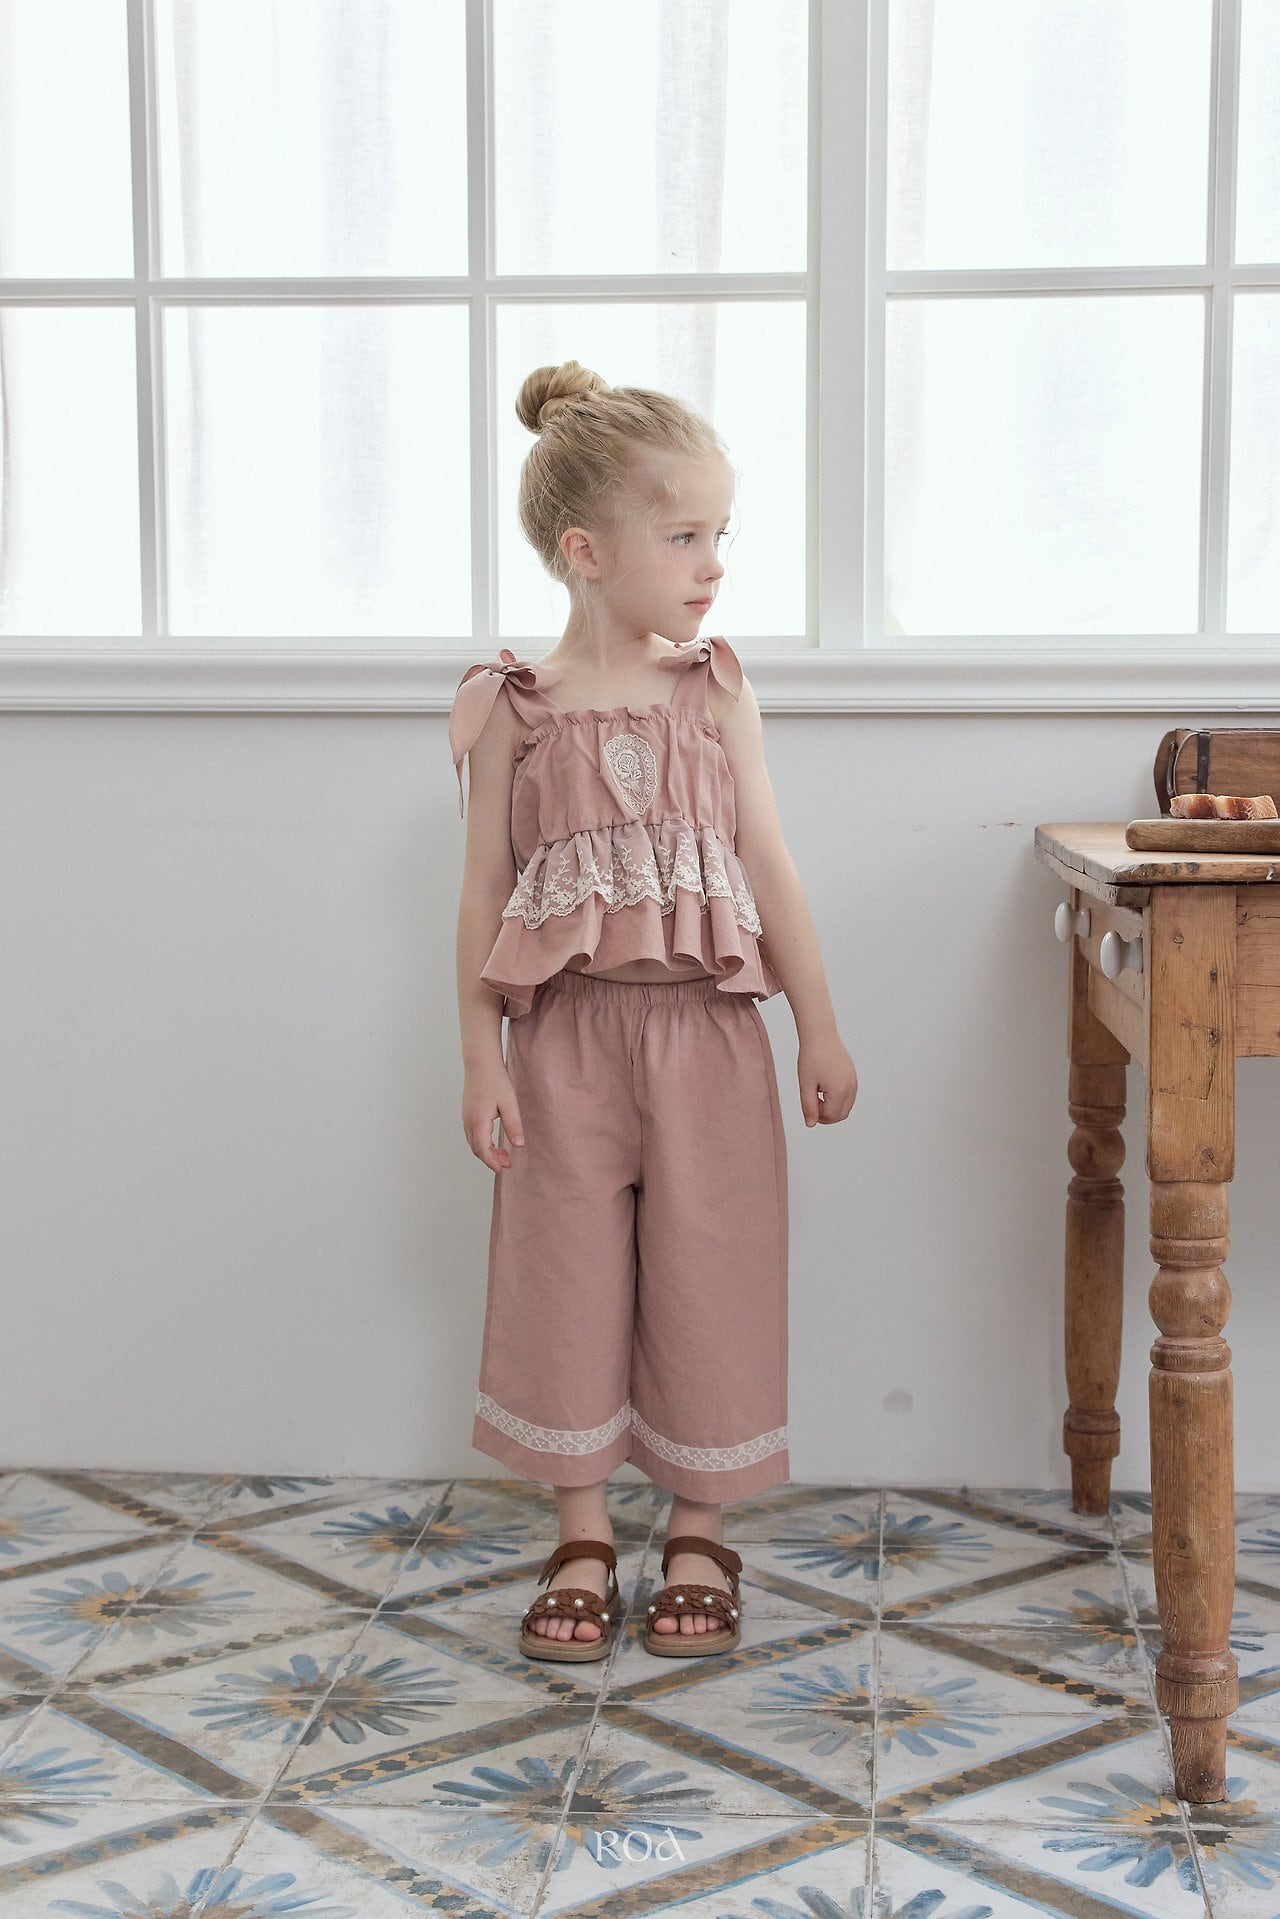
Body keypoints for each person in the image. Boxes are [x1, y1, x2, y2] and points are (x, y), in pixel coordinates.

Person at [449, 359, 857, 1664]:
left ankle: (699, 1529)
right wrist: (480, 1059)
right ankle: (581, 1532)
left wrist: (820, 1024)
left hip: (711, 1037)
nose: (712, 564)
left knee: (711, 1271)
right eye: (684, 536)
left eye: (720, 535)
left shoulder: (714, 689)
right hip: (563, 1040)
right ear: (586, 551)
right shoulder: (512, 709)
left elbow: (769, 863)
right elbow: (484, 894)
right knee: (561, 1277)